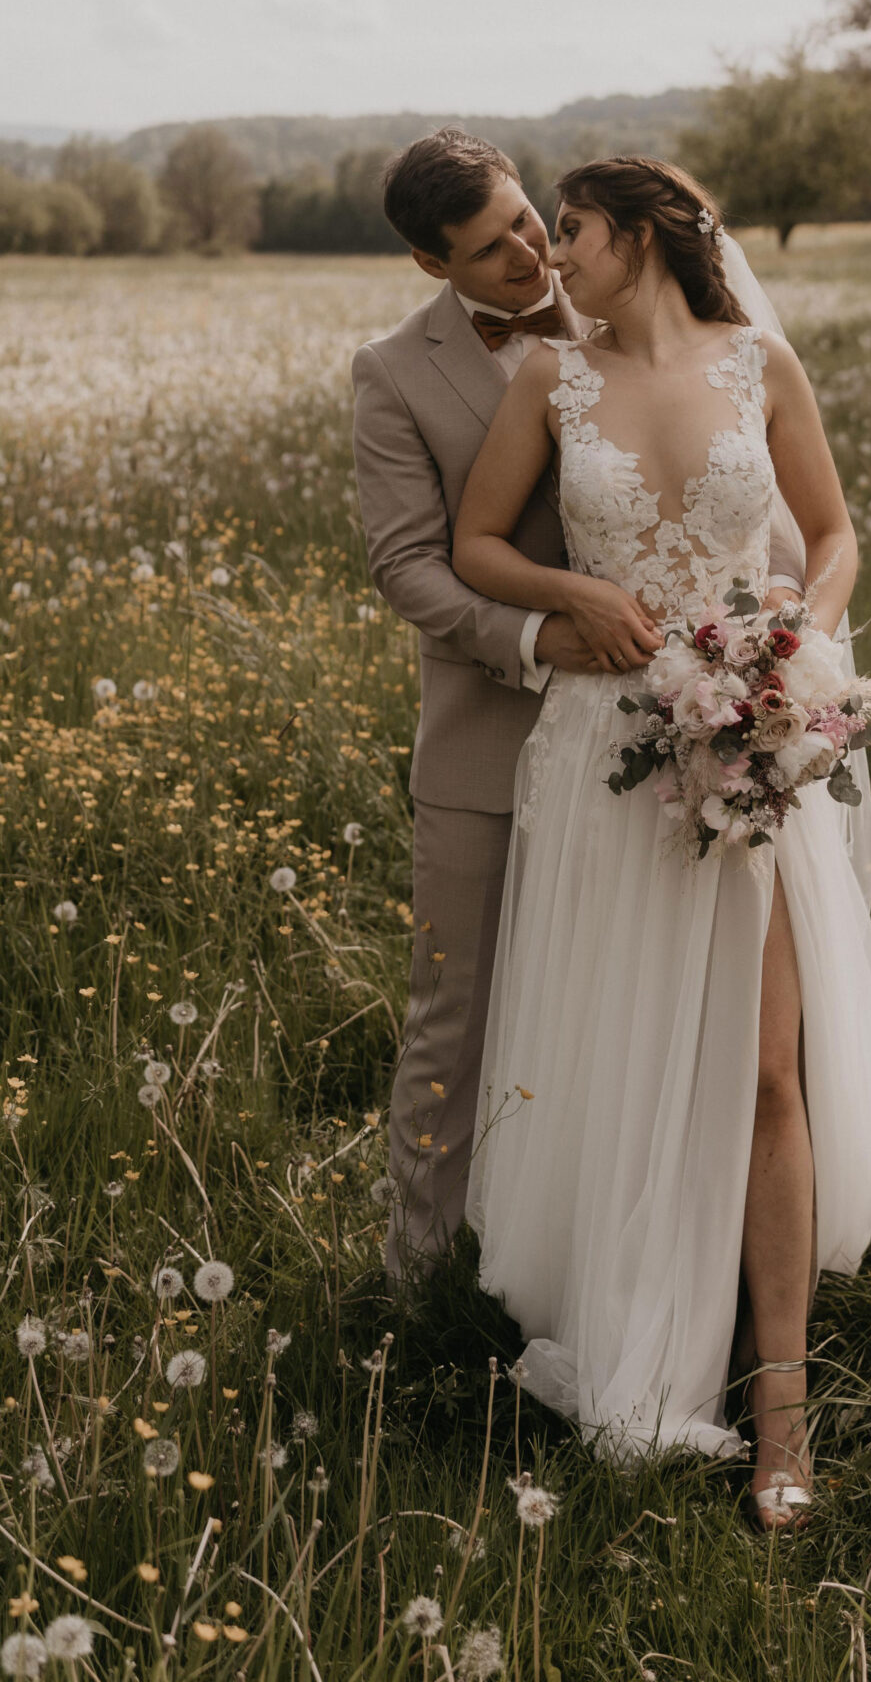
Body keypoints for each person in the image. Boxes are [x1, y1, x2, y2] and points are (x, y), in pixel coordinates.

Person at [453, 156, 871, 1527]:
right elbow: (475, 544)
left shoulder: (759, 367)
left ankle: (782, 1419)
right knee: (628, 1046)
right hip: (612, 749)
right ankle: (642, 1321)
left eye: (568, 229)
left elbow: (836, 530)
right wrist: (572, 587)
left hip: (752, 727)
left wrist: (797, 639)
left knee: (763, 1070)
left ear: (640, 233)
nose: (549, 252)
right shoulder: (548, 382)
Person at [350, 130, 611, 1280]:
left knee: (619, 1002)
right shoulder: (395, 371)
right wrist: (532, 638)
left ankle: (585, 1267)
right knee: (453, 1015)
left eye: (523, 218)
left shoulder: (624, 316)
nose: (526, 251)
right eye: (488, 245)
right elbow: (406, 563)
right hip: (484, 741)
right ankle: (421, 1275)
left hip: (639, 730)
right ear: (429, 264)